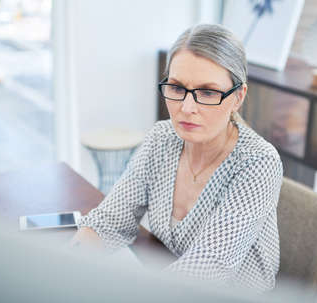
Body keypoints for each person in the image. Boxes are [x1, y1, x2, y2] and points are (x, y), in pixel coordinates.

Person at [71, 23, 283, 292]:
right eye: (176, 88)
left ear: (238, 97)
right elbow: (110, 220)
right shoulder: (162, 138)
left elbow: (209, 267)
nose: (186, 107)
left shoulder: (258, 163)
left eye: (208, 92)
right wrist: (69, 263)